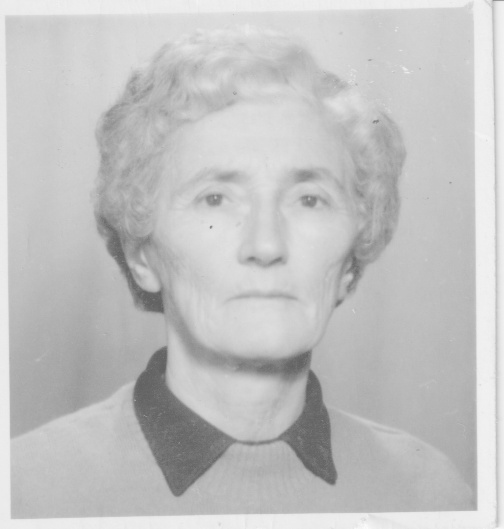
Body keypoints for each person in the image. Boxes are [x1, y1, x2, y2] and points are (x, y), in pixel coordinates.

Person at [10, 25, 474, 518]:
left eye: (309, 199)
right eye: (215, 199)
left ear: (351, 259)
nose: (266, 245)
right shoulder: (26, 489)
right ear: (142, 255)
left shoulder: (428, 492)